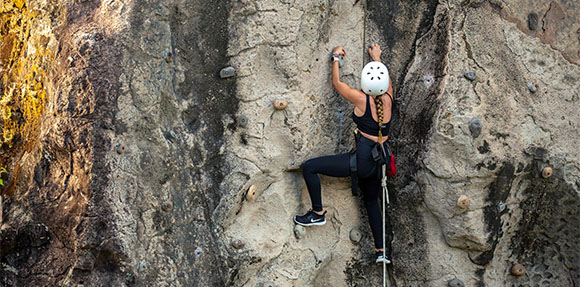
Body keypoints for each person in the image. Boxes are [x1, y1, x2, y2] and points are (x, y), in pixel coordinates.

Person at [293, 44, 394, 264]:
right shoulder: (388, 99)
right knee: (371, 202)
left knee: (310, 167)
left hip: (364, 160)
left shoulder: (362, 100)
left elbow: (337, 84)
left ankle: (317, 214)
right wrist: (376, 58)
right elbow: (383, 82)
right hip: (380, 163)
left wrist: (336, 57)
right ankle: (381, 252)